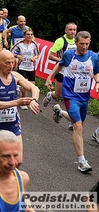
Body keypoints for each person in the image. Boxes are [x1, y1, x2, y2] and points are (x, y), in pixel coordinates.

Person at [45, 31, 99, 173]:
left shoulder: (93, 57)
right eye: (81, 44)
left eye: (87, 44)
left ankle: (60, 112)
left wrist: (98, 82)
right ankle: (82, 161)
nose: (84, 47)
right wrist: (49, 77)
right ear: (76, 43)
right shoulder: (69, 55)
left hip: (84, 97)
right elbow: (60, 65)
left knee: (79, 121)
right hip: (70, 96)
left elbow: (96, 71)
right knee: (78, 126)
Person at [0, 50, 40, 166]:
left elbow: (35, 89)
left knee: (18, 160)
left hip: (13, 123)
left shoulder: (15, 76)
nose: (11, 66)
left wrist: (33, 100)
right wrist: (17, 102)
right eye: (7, 63)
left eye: (12, 63)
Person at [43, 22, 77, 109]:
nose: (72, 32)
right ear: (65, 30)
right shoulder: (60, 41)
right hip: (61, 70)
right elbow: (50, 56)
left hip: (73, 72)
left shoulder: (77, 41)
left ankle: (71, 116)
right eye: (70, 29)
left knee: (73, 95)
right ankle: (51, 94)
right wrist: (63, 61)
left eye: (74, 30)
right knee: (58, 94)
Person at [11, 28, 40, 110]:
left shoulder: (34, 44)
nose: (30, 36)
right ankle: (23, 101)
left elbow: (37, 54)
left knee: (32, 85)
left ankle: (18, 87)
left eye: (31, 34)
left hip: (31, 67)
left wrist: (34, 58)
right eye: (28, 34)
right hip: (22, 67)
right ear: (24, 36)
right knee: (26, 86)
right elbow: (11, 52)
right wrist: (18, 56)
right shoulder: (19, 44)